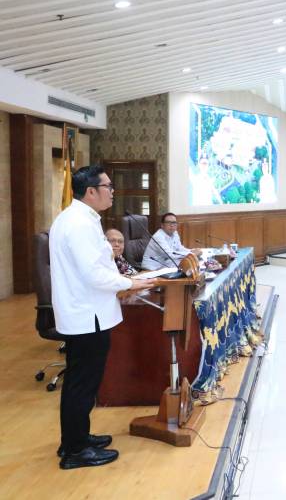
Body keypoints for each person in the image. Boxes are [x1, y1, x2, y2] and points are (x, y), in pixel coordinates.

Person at [49, 165, 156, 469]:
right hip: (87, 315)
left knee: (81, 381)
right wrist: (130, 283)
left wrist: (126, 278)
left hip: (86, 312)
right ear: (91, 191)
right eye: (108, 186)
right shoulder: (78, 224)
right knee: (82, 383)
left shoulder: (82, 219)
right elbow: (94, 275)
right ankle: (75, 451)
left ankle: (76, 439)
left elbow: (97, 264)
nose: (112, 191)